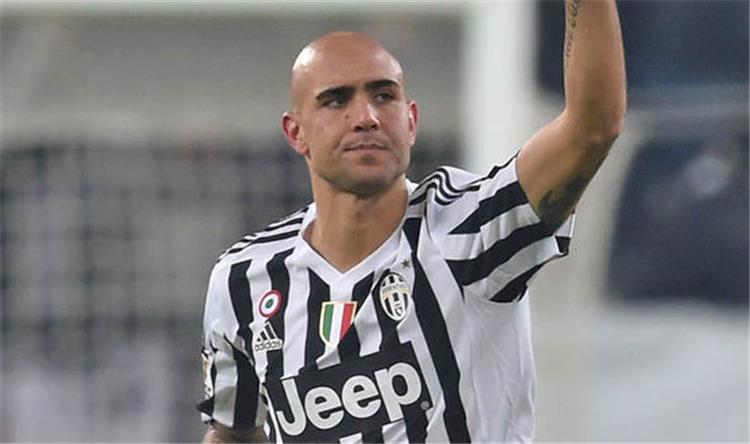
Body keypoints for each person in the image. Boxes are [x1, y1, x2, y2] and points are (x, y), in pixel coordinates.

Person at [198, 0, 626, 442]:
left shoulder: (469, 229)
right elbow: (232, 432)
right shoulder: (243, 280)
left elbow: (592, 128)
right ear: (296, 132)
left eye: (384, 96)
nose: (365, 117)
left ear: (411, 121)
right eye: (337, 100)